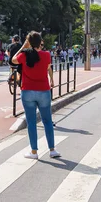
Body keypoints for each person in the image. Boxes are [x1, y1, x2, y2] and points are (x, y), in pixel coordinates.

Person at [12, 31, 60, 159]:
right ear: (41, 42)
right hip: (43, 90)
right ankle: (52, 150)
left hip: (27, 91)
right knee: (47, 121)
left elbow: (13, 60)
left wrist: (24, 46)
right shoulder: (46, 55)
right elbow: (47, 67)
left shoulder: (23, 55)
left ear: (29, 42)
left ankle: (34, 151)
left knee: (31, 122)